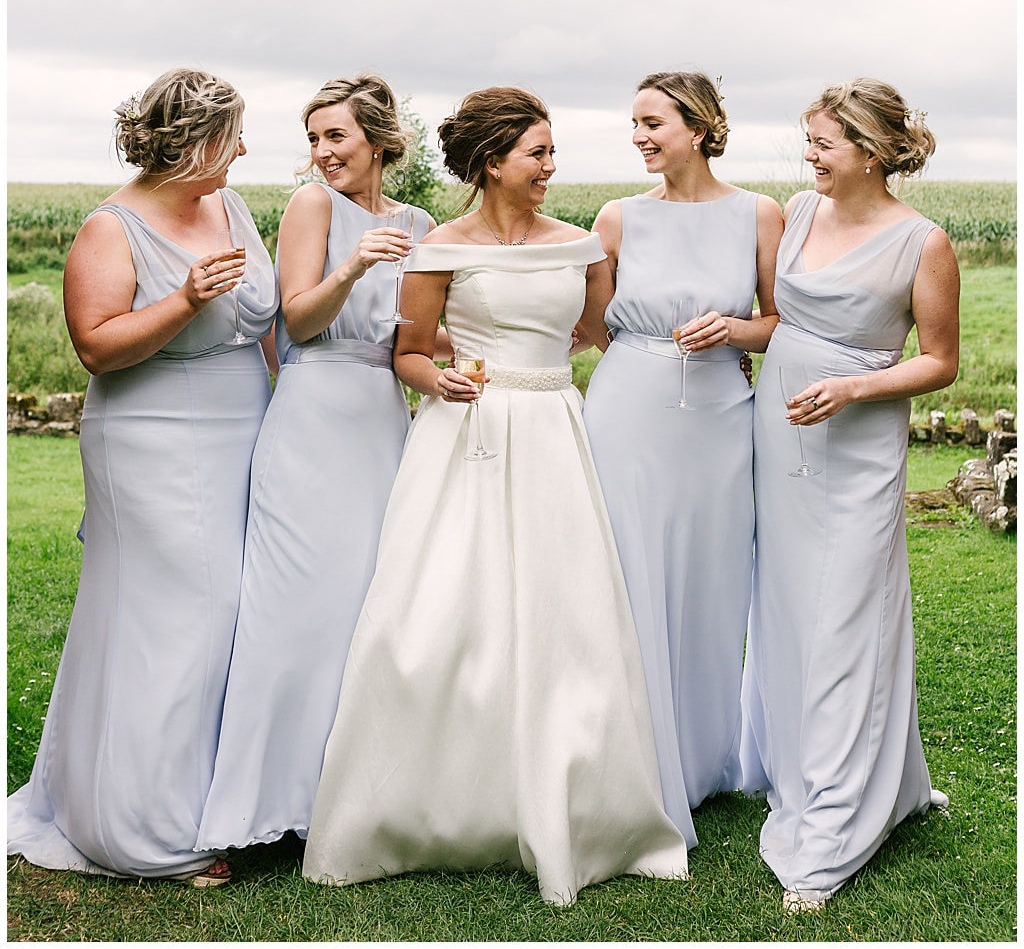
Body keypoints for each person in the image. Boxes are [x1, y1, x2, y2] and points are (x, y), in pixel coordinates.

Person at [302, 87, 689, 906]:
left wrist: (535, 377)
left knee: (566, 617)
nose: (552, 167)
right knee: (440, 613)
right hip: (463, 436)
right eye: (537, 153)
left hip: (552, 431)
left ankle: (571, 798)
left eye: (551, 152)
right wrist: (438, 376)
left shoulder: (582, 246)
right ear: (491, 163)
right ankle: (428, 802)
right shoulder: (436, 247)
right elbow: (408, 350)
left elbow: (591, 330)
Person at [7, 68, 277, 885]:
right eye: (232, 136)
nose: (243, 150)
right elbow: (96, 344)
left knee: (236, 615)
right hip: (152, 442)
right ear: (194, 142)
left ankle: (222, 798)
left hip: (244, 432)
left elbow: (261, 323)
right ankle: (144, 827)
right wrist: (187, 298)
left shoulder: (231, 208)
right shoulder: (110, 228)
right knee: (182, 619)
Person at [198, 74, 435, 851]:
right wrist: (353, 266)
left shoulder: (421, 222)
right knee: (293, 606)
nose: (322, 153)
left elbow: (416, 340)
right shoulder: (312, 206)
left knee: (366, 602)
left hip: (381, 420)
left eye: (335, 136)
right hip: (309, 413)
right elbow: (294, 318)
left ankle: (348, 794)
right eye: (313, 138)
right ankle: (262, 807)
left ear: (376, 139)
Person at [739, 79, 959, 913]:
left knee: (846, 613)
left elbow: (940, 359)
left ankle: (830, 823)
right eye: (808, 139)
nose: (809, 155)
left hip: (857, 443)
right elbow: (775, 317)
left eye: (823, 142)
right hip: (779, 432)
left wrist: (852, 390)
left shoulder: (922, 243)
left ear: (869, 148)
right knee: (793, 607)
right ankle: (863, 774)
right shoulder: (798, 212)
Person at [584, 71, 783, 845]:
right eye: (632, 123)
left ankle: (700, 759)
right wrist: (644, 358)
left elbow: (779, 323)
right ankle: (633, 759)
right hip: (629, 413)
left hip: (721, 424)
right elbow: (597, 322)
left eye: (651, 121)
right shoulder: (617, 217)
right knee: (631, 574)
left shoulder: (759, 214)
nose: (637, 136)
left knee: (710, 579)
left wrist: (731, 336)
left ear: (698, 127)